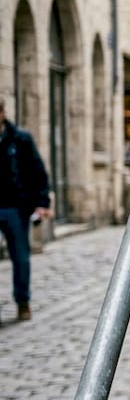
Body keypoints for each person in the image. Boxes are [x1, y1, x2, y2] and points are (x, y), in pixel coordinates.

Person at [0, 96, 52, 322]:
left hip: (16, 208)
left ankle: (23, 301)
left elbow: (37, 172)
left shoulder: (21, 139)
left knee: (21, 257)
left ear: (2, 114)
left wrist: (42, 203)